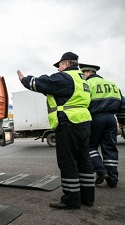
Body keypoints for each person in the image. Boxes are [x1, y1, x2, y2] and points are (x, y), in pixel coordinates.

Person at [17, 52, 95, 209]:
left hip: (68, 123)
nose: (58, 69)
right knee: (84, 160)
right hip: (84, 123)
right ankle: (87, 197)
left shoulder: (65, 77)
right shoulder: (82, 80)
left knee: (68, 161)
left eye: (59, 65)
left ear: (66, 63)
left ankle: (72, 199)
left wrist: (23, 79)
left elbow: (40, 82)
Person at [79, 63, 125, 188]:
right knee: (110, 148)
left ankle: (101, 170)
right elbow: (122, 104)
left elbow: (82, 102)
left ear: (88, 72)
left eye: (83, 74)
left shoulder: (87, 84)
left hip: (94, 118)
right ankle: (113, 180)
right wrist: (122, 121)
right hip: (111, 119)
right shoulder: (112, 84)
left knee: (89, 146)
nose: (82, 76)